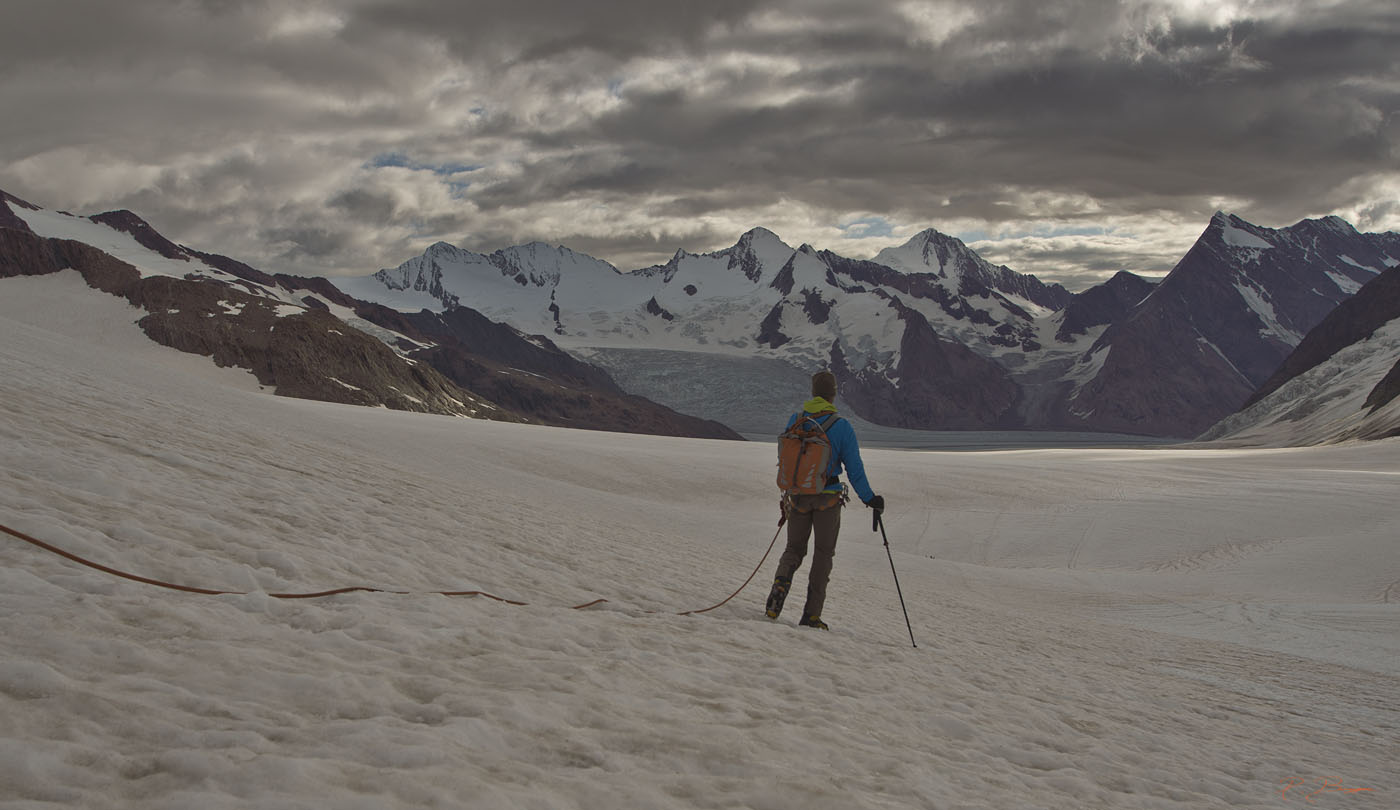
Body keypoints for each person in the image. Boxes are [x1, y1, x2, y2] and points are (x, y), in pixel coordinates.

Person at [766, 370, 883, 630]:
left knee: (794, 549)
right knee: (822, 555)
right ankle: (811, 615)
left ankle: (778, 591)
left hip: (797, 496)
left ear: (812, 392)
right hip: (827, 499)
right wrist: (870, 498)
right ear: (833, 394)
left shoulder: (795, 419)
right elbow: (854, 468)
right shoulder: (841, 426)